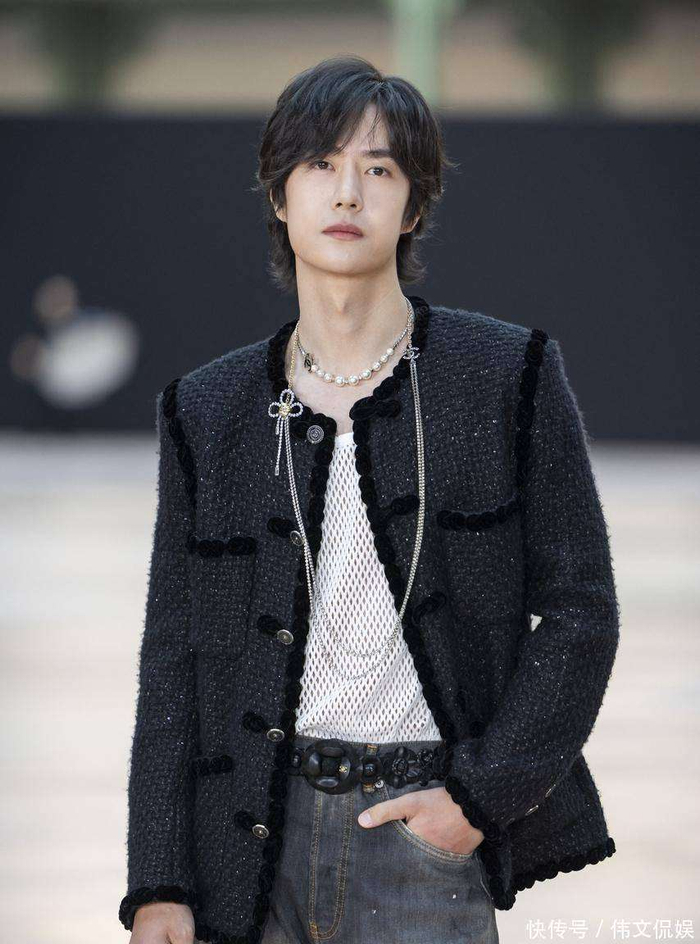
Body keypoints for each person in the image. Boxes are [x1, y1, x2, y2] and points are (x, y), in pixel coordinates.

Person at [120, 55, 620, 944]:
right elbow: (172, 662)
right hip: (249, 843)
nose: (347, 192)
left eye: (379, 169)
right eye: (320, 164)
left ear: (413, 205)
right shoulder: (206, 410)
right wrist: (159, 880)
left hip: (424, 834)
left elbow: (582, 611)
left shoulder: (506, 376)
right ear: (280, 195)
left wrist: (477, 800)